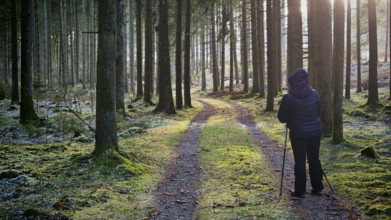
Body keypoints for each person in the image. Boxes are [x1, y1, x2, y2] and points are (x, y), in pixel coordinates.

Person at [277, 68, 324, 198]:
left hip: (298, 134)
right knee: (314, 159)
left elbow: (282, 118)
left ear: (292, 82)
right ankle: (318, 188)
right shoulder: (315, 94)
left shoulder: (288, 97)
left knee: (300, 161)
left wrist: (291, 118)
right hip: (315, 132)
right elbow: (318, 112)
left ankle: (300, 191)